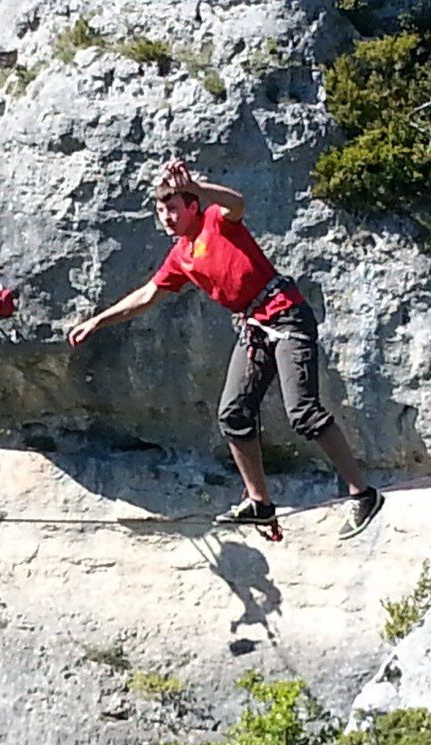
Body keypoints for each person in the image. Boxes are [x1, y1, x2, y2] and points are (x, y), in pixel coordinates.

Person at [67, 159, 384, 539]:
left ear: (192, 207)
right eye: (161, 211)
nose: (166, 218)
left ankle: (362, 494)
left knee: (302, 412)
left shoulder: (216, 220)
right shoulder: (180, 256)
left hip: (286, 315)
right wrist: (98, 320)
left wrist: (198, 185)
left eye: (173, 208)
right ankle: (260, 504)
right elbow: (148, 295)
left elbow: (237, 202)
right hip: (255, 326)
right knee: (233, 415)